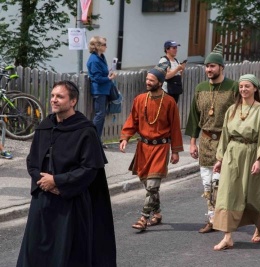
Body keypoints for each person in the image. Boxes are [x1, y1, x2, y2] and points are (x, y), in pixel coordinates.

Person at [17, 81, 116, 267]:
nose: (54, 100)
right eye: (53, 95)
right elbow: (32, 161)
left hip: (71, 203)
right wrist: (43, 181)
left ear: (73, 101)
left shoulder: (85, 131)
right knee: (35, 251)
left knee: (68, 254)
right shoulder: (44, 127)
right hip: (43, 200)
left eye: (60, 96)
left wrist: (57, 182)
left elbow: (90, 169)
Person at [212, 74, 260, 250]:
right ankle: (227, 236)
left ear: (255, 88)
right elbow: (225, 135)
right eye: (241, 87)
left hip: (252, 153)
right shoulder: (232, 109)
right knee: (229, 192)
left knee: (254, 193)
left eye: (247, 86)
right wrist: (220, 159)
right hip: (233, 153)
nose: (243, 90)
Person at [119, 64, 183, 231]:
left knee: (153, 185)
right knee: (149, 185)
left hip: (161, 148)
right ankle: (157, 213)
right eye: (147, 79)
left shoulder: (169, 102)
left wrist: (175, 151)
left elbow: (175, 127)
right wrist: (125, 138)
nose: (147, 82)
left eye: (151, 80)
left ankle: (143, 218)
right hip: (143, 147)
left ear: (160, 83)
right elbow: (132, 121)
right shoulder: (140, 99)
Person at [185, 42, 238, 233]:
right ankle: (212, 218)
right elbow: (193, 116)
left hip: (225, 142)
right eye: (207, 66)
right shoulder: (200, 88)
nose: (208, 69)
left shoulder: (233, 87)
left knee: (219, 183)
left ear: (221, 67)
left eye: (212, 66)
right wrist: (192, 142)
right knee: (207, 183)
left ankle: (222, 218)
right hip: (205, 141)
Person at [87, 36, 117, 148]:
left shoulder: (101, 57)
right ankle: (93, 141)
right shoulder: (94, 60)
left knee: (102, 115)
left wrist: (109, 73)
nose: (106, 46)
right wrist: (109, 78)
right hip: (99, 91)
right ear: (97, 46)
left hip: (104, 90)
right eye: (104, 44)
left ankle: (97, 140)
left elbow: (101, 74)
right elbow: (97, 78)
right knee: (99, 115)